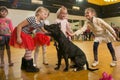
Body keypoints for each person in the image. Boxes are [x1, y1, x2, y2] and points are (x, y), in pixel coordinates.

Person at [9, 6, 49, 72]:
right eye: (45, 14)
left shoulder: (41, 23)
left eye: (47, 15)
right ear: (38, 13)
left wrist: (51, 33)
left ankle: (24, 65)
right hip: (21, 32)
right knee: (29, 49)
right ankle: (29, 67)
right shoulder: (31, 19)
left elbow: (44, 30)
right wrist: (18, 37)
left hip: (27, 35)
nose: (46, 16)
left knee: (29, 49)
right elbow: (19, 26)